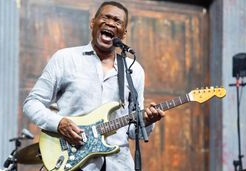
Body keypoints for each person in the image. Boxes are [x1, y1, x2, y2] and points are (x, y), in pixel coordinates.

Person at [23, 1, 165, 170]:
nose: (111, 23)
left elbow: (134, 133)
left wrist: (148, 121)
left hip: (118, 165)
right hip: (73, 162)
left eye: (117, 21)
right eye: (106, 17)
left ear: (123, 33)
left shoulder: (134, 70)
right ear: (93, 23)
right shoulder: (65, 58)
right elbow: (31, 104)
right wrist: (59, 123)